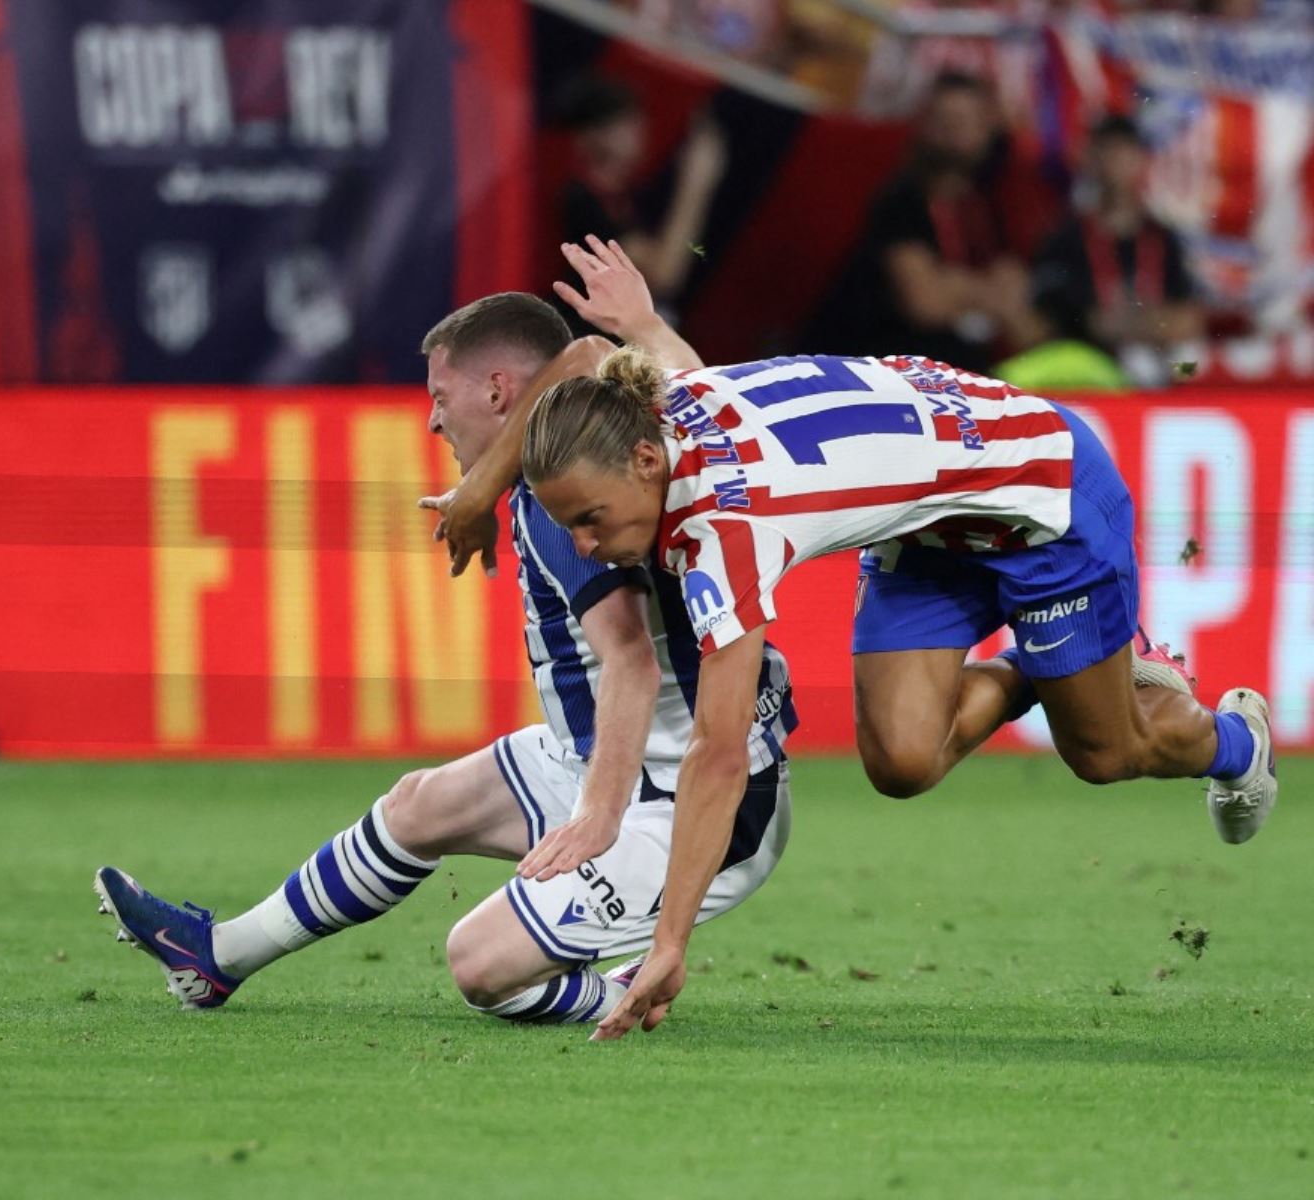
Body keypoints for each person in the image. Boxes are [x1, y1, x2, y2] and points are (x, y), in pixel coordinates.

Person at [501, 292, 1277, 1039]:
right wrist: (481, 493)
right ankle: (1044, 667)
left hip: (1042, 495)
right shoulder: (658, 405)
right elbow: (621, 360)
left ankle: (1238, 742)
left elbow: (721, 752)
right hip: (928, 526)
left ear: (646, 462)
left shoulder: (720, 530)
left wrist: (669, 942)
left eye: (590, 520)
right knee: (903, 762)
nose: (585, 547)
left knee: (1106, 753)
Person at [91, 289, 796, 1026]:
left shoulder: (568, 501)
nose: (432, 419)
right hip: (613, 759)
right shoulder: (588, 465)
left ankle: (627, 994)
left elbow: (631, 661)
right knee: (418, 807)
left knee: (482, 964)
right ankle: (219, 957)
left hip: (689, 800)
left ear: (497, 392)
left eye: (440, 395)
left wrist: (599, 815)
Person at [817, 72, 1040, 373]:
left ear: (987, 129)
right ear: (924, 125)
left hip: (965, 374)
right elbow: (925, 303)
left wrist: (955, 284)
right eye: (943, 120)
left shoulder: (988, 208)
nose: (952, 133)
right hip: (889, 369)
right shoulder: (901, 200)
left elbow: (1017, 305)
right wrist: (984, 291)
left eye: (965, 122)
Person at [1025, 115, 1203, 389]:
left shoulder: (1163, 238)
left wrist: (1131, 323)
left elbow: (1188, 319)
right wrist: (1142, 322)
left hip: (1154, 359)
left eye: (1124, 153)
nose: (1116, 164)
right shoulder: (1066, 240)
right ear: (1091, 160)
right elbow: (1060, 319)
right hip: (1087, 369)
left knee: (1192, 363)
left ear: (1141, 161)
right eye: (1107, 153)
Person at [553, 75, 726, 328]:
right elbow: (663, 274)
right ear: (593, 134)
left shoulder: (627, 200)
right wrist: (696, 183)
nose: (639, 134)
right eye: (626, 125)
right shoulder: (582, 201)